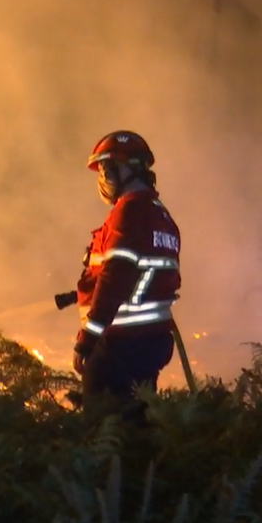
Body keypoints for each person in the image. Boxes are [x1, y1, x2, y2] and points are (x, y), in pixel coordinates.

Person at [71, 130, 181, 417]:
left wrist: (86, 341)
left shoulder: (129, 211)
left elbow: (116, 276)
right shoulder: (160, 215)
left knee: (104, 428)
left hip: (120, 345)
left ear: (124, 169)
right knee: (137, 425)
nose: (102, 179)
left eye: (105, 169)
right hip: (149, 342)